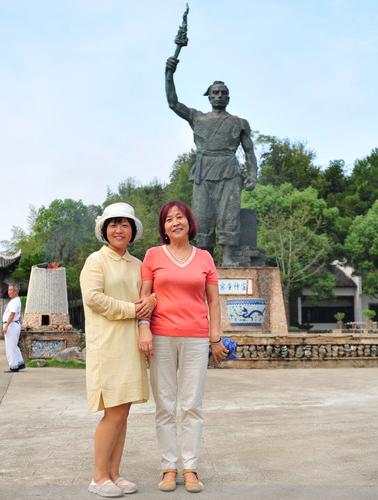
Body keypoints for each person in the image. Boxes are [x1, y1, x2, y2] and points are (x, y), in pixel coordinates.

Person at [138, 200, 229, 493]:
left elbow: (213, 301)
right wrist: (144, 330)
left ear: (190, 222)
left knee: (192, 405)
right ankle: (169, 467)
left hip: (196, 338)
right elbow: (144, 298)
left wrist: (214, 339)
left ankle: (190, 467)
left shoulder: (205, 258)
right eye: (168, 219)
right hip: (161, 337)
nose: (175, 222)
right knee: (165, 405)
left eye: (180, 217)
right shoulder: (152, 256)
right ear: (163, 228)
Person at [80, 202, 156, 498]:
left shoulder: (139, 265)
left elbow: (147, 297)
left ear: (133, 230)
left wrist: (150, 303)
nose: (119, 229)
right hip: (108, 344)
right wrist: (132, 310)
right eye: (113, 224)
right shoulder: (95, 261)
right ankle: (99, 476)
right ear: (104, 230)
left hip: (132, 344)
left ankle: (114, 473)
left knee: (123, 412)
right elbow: (93, 298)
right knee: (112, 412)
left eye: (125, 224)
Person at [165, 56, 258, 266]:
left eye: (223, 93)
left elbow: (249, 151)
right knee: (203, 216)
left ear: (229, 98)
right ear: (209, 97)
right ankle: (205, 259)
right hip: (203, 169)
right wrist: (169, 74)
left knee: (229, 214)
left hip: (229, 170)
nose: (219, 96)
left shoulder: (239, 122)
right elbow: (173, 103)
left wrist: (253, 174)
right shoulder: (198, 118)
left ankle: (228, 257)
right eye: (215, 93)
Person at [1, 284, 25, 373]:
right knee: (14, 345)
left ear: (15, 291)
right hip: (13, 325)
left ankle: (13, 366)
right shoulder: (14, 300)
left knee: (10, 347)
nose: (8, 292)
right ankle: (19, 362)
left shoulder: (15, 301)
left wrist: (6, 326)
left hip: (11, 325)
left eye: (10, 290)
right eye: (8, 290)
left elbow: (12, 314)